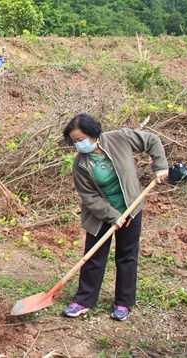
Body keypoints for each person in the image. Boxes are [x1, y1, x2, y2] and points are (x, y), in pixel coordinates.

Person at [62, 113, 168, 321]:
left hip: (131, 207)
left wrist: (160, 166)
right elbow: (89, 197)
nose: (78, 145)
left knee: (127, 256)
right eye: (74, 141)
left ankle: (123, 303)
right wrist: (113, 216)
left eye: (81, 139)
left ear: (94, 134)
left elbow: (152, 141)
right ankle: (84, 300)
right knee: (93, 257)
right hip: (100, 215)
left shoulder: (120, 138)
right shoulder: (81, 165)